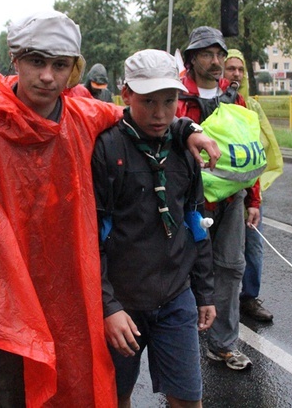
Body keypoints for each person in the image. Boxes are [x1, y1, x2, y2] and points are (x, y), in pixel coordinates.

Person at [0, 10, 220, 407]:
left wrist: (187, 129)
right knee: (2, 393)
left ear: (73, 69)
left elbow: (141, 117)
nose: (48, 76)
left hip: (61, 293)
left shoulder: (85, 118)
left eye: (60, 65)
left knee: (66, 388)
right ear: (15, 60)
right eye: (37, 61)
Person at [94, 49, 215, 408]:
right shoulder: (106, 148)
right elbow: (92, 236)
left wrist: (204, 291)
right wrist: (107, 306)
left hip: (176, 298)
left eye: (170, 100)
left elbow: (196, 221)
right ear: (126, 94)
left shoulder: (183, 147)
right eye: (148, 101)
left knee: (188, 398)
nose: (160, 113)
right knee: (116, 396)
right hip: (123, 304)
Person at [176, 26, 262, 371]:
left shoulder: (234, 97)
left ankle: (223, 345)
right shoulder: (177, 95)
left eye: (219, 55)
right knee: (181, 273)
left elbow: (248, 150)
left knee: (231, 269)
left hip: (230, 202)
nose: (216, 61)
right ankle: (179, 344)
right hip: (188, 204)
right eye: (208, 54)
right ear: (192, 58)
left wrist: (252, 198)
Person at [224, 49, 284, 323]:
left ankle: (249, 298)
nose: (236, 74)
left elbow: (258, 153)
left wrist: (255, 200)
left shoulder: (251, 107)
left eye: (240, 69)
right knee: (219, 253)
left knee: (253, 247)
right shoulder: (214, 104)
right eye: (230, 68)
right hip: (219, 194)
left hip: (248, 191)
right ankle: (212, 303)